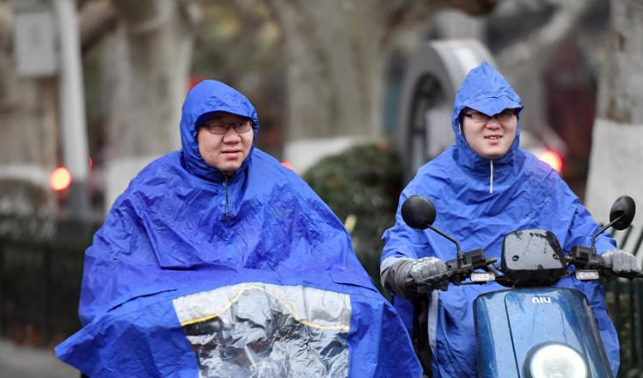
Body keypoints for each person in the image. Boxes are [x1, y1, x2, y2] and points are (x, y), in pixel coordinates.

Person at [56, 80, 421, 378]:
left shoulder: (280, 182)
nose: (232, 137)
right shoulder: (153, 187)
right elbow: (114, 270)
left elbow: (329, 255)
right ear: (192, 132)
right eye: (218, 126)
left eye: (241, 125)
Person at [380, 62, 640, 378]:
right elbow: (402, 244)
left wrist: (608, 254)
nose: (494, 124)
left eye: (504, 114)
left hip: (551, 324)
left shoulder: (542, 178)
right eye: (480, 115)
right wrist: (408, 268)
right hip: (464, 332)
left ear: (517, 118)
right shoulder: (431, 182)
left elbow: (580, 228)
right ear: (460, 121)